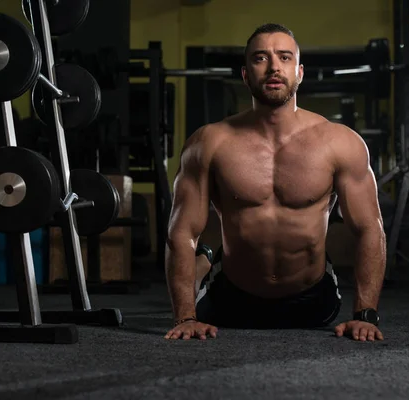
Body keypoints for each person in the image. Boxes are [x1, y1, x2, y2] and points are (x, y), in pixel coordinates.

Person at [164, 23, 386, 342]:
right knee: (202, 255)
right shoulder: (209, 142)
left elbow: (369, 227)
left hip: (312, 300)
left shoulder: (339, 142)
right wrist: (185, 316)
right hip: (231, 298)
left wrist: (365, 316)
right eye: (260, 58)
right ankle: (208, 258)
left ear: (299, 71)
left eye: (284, 57)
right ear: (245, 74)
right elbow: (182, 230)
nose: (273, 67)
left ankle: (210, 255)